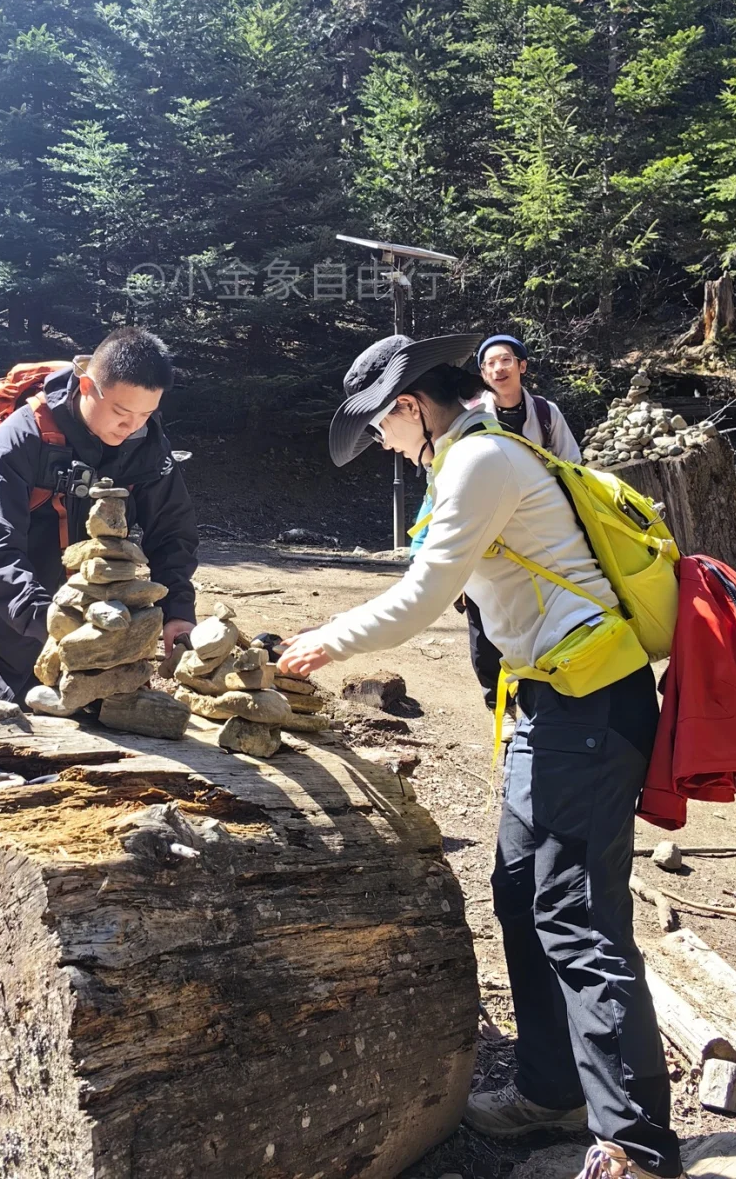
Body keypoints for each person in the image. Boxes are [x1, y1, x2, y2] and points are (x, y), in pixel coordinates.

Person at [278, 333, 684, 1179]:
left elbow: (422, 596)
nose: (382, 446)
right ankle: (552, 1088)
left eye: (381, 428)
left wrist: (322, 643)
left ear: (408, 406)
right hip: (551, 701)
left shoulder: (479, 463)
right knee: (517, 891)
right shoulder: (464, 458)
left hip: (590, 702)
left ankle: (635, 1142)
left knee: (577, 914)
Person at [0, 326, 198, 704]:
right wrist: (51, 623)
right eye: (122, 412)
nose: (132, 426)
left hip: (107, 633)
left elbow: (172, 532)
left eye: (146, 413)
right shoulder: (18, 441)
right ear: (87, 387)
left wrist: (179, 611)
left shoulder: (147, 444)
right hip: (14, 628)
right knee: (2, 743)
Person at [463, 334, 581, 731]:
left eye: (506, 360)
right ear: (482, 373)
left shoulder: (547, 414)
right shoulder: (471, 416)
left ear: (522, 365)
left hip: (538, 532)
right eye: (490, 363)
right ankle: (498, 705)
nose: (499, 368)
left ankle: (538, 696)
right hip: (488, 530)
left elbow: (573, 468)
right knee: (483, 620)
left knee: (538, 613)